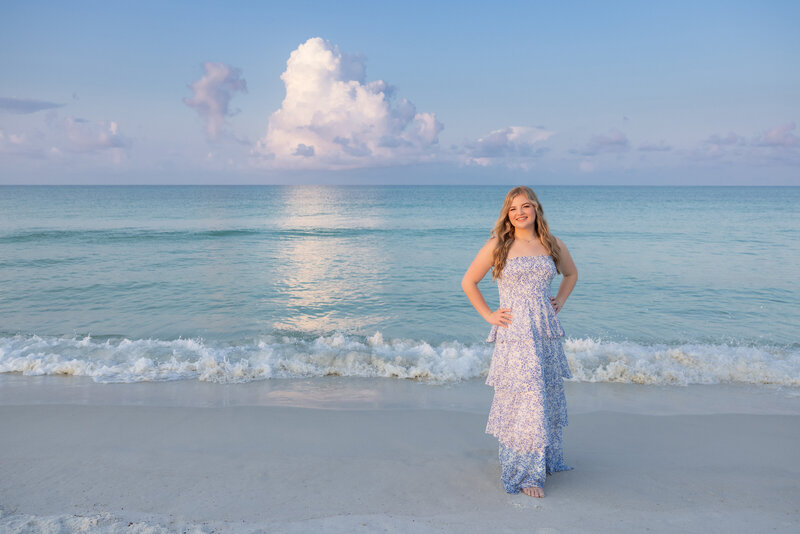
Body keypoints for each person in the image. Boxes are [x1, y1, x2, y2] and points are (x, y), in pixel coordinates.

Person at [461, 186, 578, 498]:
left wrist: (560, 302)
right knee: (525, 400)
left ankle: (542, 460)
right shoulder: (499, 244)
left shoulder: (551, 244)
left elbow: (570, 275)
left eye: (526, 206)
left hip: (543, 333)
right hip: (514, 335)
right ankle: (526, 473)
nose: (520, 213)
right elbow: (468, 282)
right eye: (513, 209)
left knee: (542, 396)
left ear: (536, 209)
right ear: (507, 214)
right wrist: (489, 315)